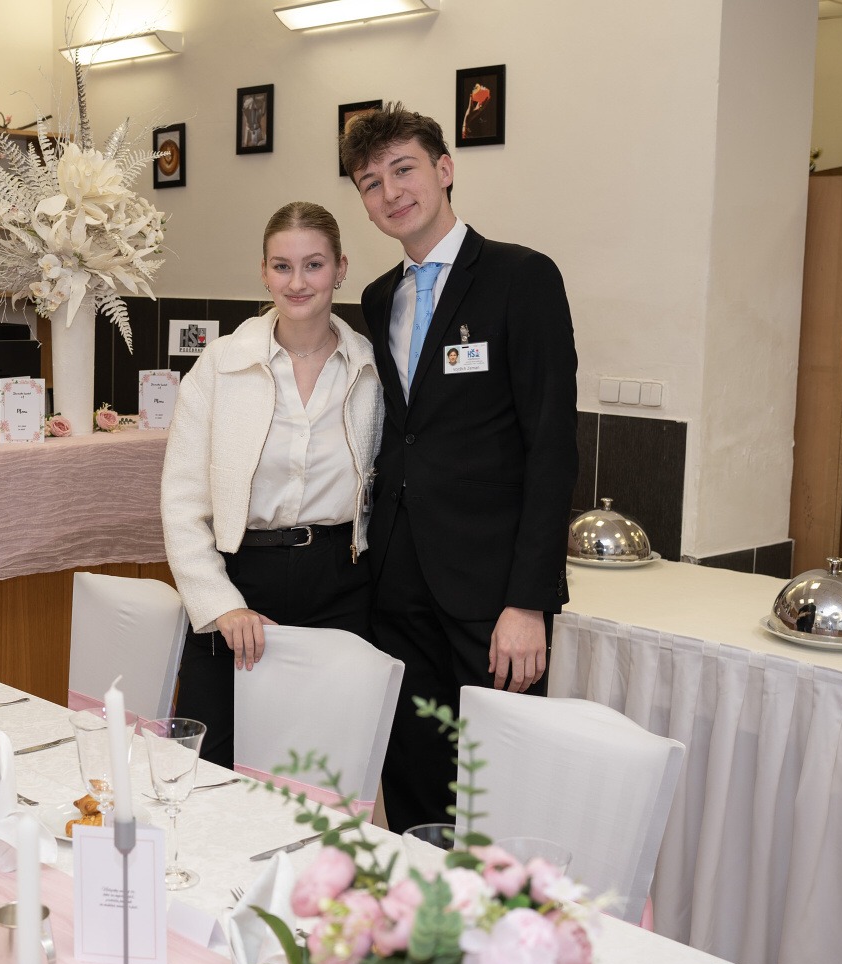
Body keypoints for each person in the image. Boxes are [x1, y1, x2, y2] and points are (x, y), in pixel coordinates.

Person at [338, 103, 577, 830]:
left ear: (444, 170)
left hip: (492, 593)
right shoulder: (378, 297)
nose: (390, 193)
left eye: (403, 169)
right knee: (413, 777)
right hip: (399, 583)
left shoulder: (521, 277)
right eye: (371, 182)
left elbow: (552, 445)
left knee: (498, 790)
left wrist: (529, 602)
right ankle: (421, 898)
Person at [161, 201, 384, 767]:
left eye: (314, 265)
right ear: (263, 272)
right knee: (207, 761)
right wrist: (221, 605)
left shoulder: (370, 369)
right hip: (240, 582)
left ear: (340, 268)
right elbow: (183, 501)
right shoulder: (220, 365)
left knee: (320, 766)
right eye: (282, 266)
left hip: (340, 586)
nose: (297, 282)